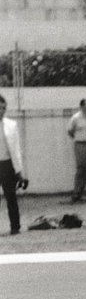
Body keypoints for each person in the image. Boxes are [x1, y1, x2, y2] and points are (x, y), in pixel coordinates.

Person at [0, 94, 26, 236]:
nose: (1, 111)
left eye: (3, 108)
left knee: (11, 197)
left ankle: (15, 227)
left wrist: (19, 171)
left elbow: (16, 150)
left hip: (7, 166)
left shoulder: (11, 125)